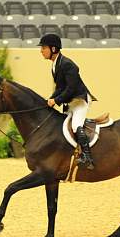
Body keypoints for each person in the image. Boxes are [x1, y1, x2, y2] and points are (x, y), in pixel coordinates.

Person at [37, 33, 97, 170]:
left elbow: (71, 88)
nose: (41, 51)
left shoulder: (68, 64)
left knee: (76, 126)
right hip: (71, 102)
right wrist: (50, 99)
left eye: (43, 48)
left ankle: (88, 157)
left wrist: (56, 100)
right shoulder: (55, 65)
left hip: (80, 101)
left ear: (53, 49)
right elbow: (60, 88)